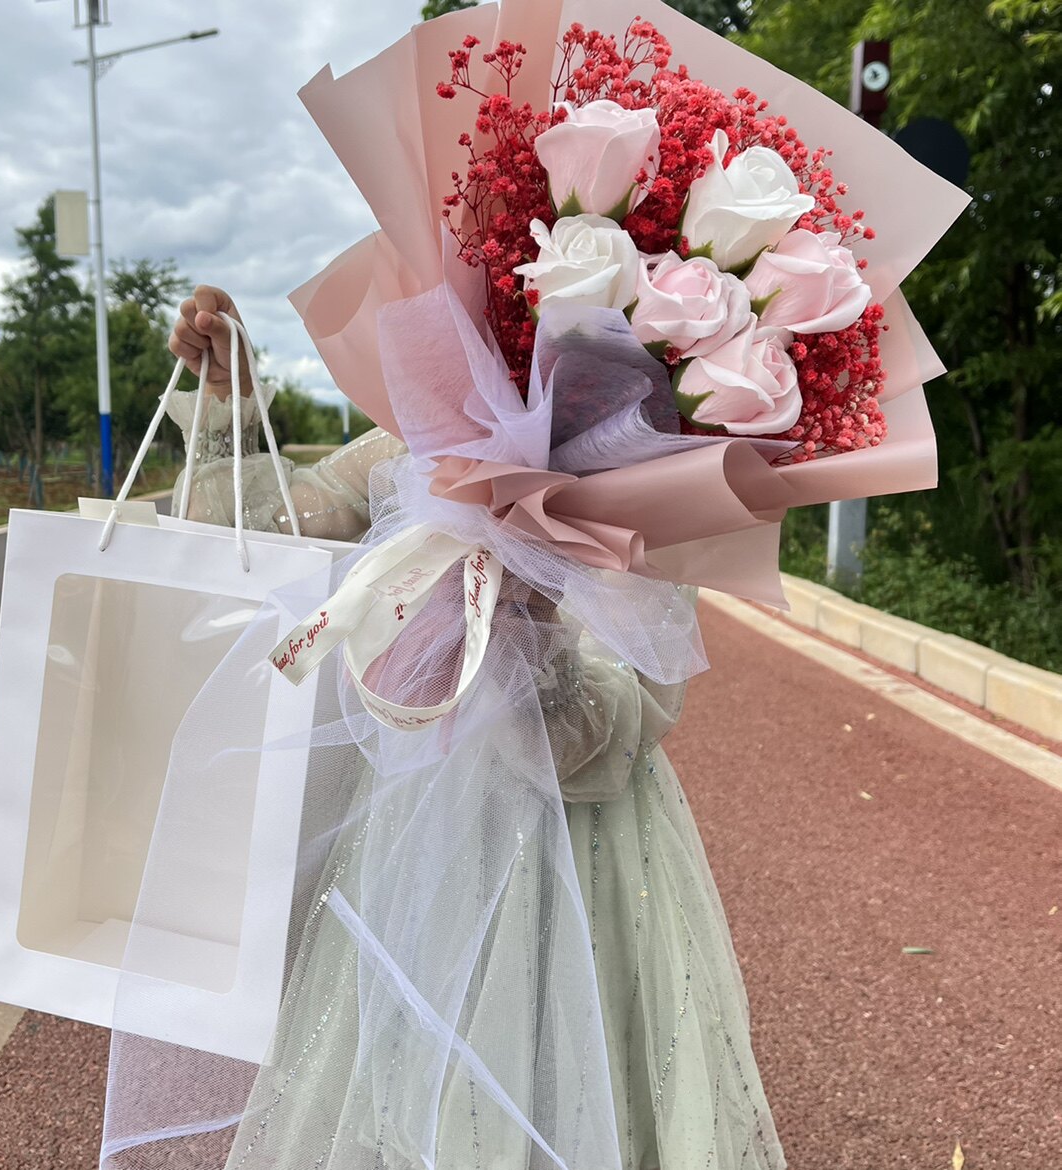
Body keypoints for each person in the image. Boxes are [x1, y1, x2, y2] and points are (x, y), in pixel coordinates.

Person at [105, 286, 784, 1170]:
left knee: (575, 1082)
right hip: (423, 830)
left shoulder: (648, 471)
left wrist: (528, 625)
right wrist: (230, 407)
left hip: (587, 852)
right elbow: (256, 530)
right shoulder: (418, 442)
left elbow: (609, 727)